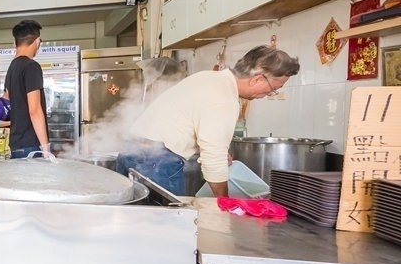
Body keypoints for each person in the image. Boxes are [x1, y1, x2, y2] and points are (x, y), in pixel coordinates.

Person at [116, 45, 300, 196]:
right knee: (165, 228)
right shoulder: (224, 98)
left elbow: (190, 124)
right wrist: (223, 201)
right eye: (273, 88)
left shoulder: (208, 78)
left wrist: (218, 151)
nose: (269, 94)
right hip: (155, 163)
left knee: (135, 224)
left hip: (131, 152)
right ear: (257, 79)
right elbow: (213, 160)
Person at [6, 19, 50, 158]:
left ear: (15, 43)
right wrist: (45, 148)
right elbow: (34, 109)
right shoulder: (31, 66)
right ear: (37, 42)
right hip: (30, 147)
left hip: (16, 145)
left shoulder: (12, 68)